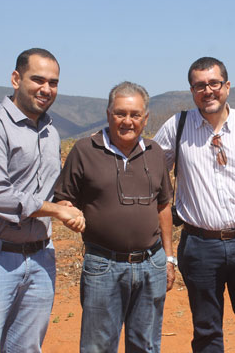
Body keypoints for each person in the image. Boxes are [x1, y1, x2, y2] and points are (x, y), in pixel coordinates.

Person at [0, 48, 85, 353]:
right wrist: (55, 210)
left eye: (53, 82)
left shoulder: (50, 131)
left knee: (26, 349)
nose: (46, 88)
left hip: (38, 260)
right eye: (37, 79)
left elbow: (43, 190)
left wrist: (60, 204)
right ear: (15, 78)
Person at [154, 57, 235, 352]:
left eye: (214, 83)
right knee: (206, 329)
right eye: (199, 85)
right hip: (199, 245)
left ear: (227, 86)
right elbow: (151, 172)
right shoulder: (177, 126)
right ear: (192, 90)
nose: (208, 91)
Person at [54, 81, 175, 352]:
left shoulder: (155, 153)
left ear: (145, 118)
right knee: (98, 345)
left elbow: (163, 206)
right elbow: (64, 198)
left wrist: (168, 258)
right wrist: (70, 213)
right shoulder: (85, 150)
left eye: (134, 115)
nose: (127, 121)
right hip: (103, 265)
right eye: (120, 113)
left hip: (151, 264)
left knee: (146, 344)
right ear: (108, 114)